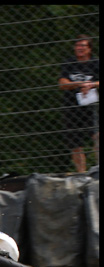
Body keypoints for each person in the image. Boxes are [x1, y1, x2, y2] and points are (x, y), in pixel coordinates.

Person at [58, 35, 99, 173]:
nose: (79, 48)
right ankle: (81, 173)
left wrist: (92, 84)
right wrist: (79, 84)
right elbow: (62, 83)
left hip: (91, 106)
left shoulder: (95, 63)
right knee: (75, 143)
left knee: (97, 136)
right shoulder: (69, 63)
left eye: (83, 46)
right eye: (77, 46)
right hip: (71, 106)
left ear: (89, 49)